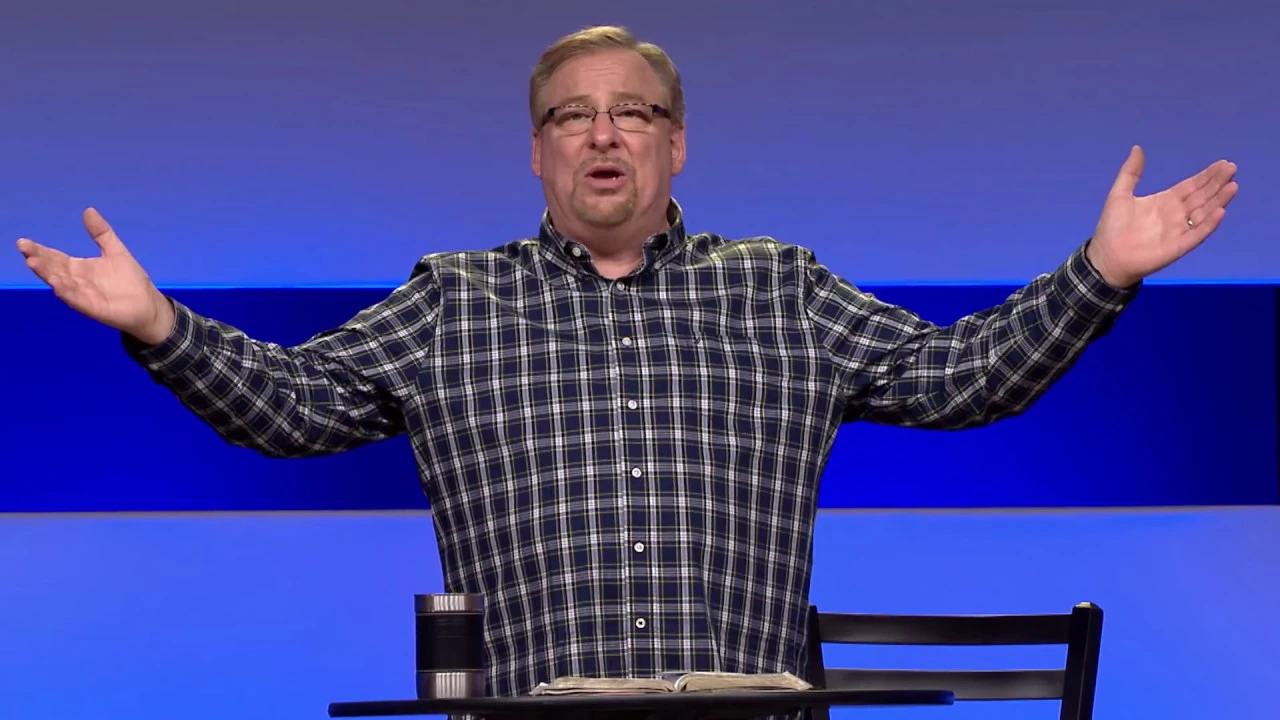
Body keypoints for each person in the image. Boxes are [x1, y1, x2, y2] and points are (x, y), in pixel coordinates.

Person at [16, 23, 1236, 706]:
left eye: (633, 112)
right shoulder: (453, 299)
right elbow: (292, 409)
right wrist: (157, 323)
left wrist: (1100, 270)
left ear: (675, 144)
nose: (602, 133)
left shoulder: (779, 287)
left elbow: (961, 377)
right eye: (571, 115)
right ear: (537, 152)